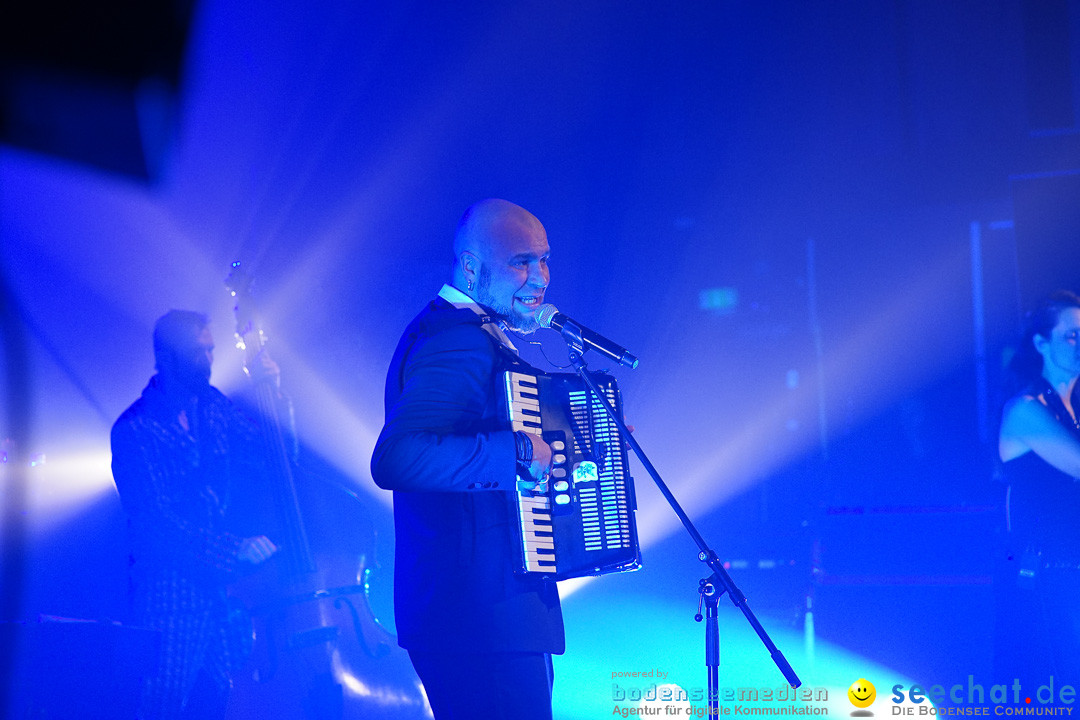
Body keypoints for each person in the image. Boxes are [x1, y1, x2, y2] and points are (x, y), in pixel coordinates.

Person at [370, 198, 562, 720]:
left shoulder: (462, 332)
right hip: (477, 623)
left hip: (484, 618)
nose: (539, 278)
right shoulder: (456, 340)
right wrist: (518, 451)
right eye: (520, 262)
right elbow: (396, 458)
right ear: (472, 267)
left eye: (543, 260)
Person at [111, 309, 279, 720]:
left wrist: (273, 394)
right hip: (169, 593)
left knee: (228, 703)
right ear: (165, 358)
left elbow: (271, 454)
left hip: (221, 594)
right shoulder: (135, 430)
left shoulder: (213, 406)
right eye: (196, 352)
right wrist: (232, 550)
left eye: (210, 349)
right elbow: (155, 526)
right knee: (161, 704)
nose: (207, 359)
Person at [999, 289, 1080, 680]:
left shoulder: (1073, 412)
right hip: (1049, 580)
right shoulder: (1025, 410)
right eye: (1071, 335)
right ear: (1041, 343)